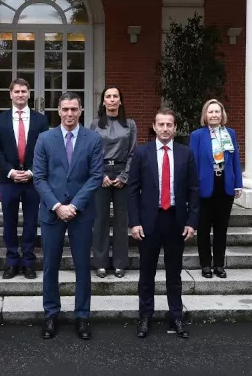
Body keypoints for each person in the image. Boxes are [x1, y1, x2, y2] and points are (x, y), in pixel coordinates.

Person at [33, 91, 103, 340]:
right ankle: (51, 314)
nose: (70, 114)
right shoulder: (44, 138)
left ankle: (82, 316)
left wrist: (74, 205)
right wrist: (57, 206)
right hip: (52, 213)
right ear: (58, 111)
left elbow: (96, 176)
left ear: (81, 110)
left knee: (83, 266)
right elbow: (39, 177)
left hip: (81, 213)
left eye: (74, 109)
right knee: (50, 266)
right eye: (65, 109)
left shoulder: (93, 139)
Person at [128, 108, 199, 339]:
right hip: (149, 221)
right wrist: (134, 222)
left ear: (175, 128)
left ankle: (176, 316)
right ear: (154, 126)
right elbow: (132, 190)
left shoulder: (185, 153)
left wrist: (192, 222)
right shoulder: (141, 153)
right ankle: (145, 316)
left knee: (174, 273)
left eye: (169, 124)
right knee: (146, 273)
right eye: (161, 124)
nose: (165, 129)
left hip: (175, 220)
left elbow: (193, 190)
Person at [0, 79, 49, 280]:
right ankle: (12, 261)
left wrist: (32, 171)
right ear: (10, 94)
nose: (20, 95)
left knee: (31, 222)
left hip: (33, 181)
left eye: (24, 91)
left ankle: (28, 262)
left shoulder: (41, 120)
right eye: (16, 91)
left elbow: (45, 150)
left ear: (29, 94)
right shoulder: (0, 120)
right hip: (9, 181)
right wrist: (10, 171)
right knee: (9, 222)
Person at [189, 99, 242, 279]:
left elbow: (235, 160)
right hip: (205, 186)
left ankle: (219, 264)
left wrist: (238, 183)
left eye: (217, 112)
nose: (214, 115)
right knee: (203, 228)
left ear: (222, 115)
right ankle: (205, 264)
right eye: (210, 112)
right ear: (205, 115)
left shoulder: (230, 133)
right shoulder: (197, 135)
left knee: (221, 228)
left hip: (225, 185)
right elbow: (193, 163)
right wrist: (192, 187)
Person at [89, 87, 137, 279]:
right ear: (103, 102)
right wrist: (100, 176)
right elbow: (91, 153)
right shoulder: (94, 125)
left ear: (120, 101)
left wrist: (124, 176)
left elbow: (133, 152)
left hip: (121, 173)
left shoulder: (130, 125)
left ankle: (119, 263)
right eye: (108, 97)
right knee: (99, 220)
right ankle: (100, 263)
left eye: (115, 96)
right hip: (101, 174)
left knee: (121, 220)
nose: (111, 100)